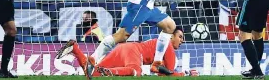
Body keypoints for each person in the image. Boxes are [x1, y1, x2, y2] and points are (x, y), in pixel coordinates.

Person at [57, 27, 198, 77]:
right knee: (136, 72)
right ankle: (112, 72)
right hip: (134, 52)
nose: (182, 41)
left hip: (124, 48)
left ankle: (75, 48)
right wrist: (186, 75)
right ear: (171, 36)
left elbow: (162, 72)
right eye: (180, 37)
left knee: (93, 73)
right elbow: (168, 75)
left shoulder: (162, 44)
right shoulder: (167, 46)